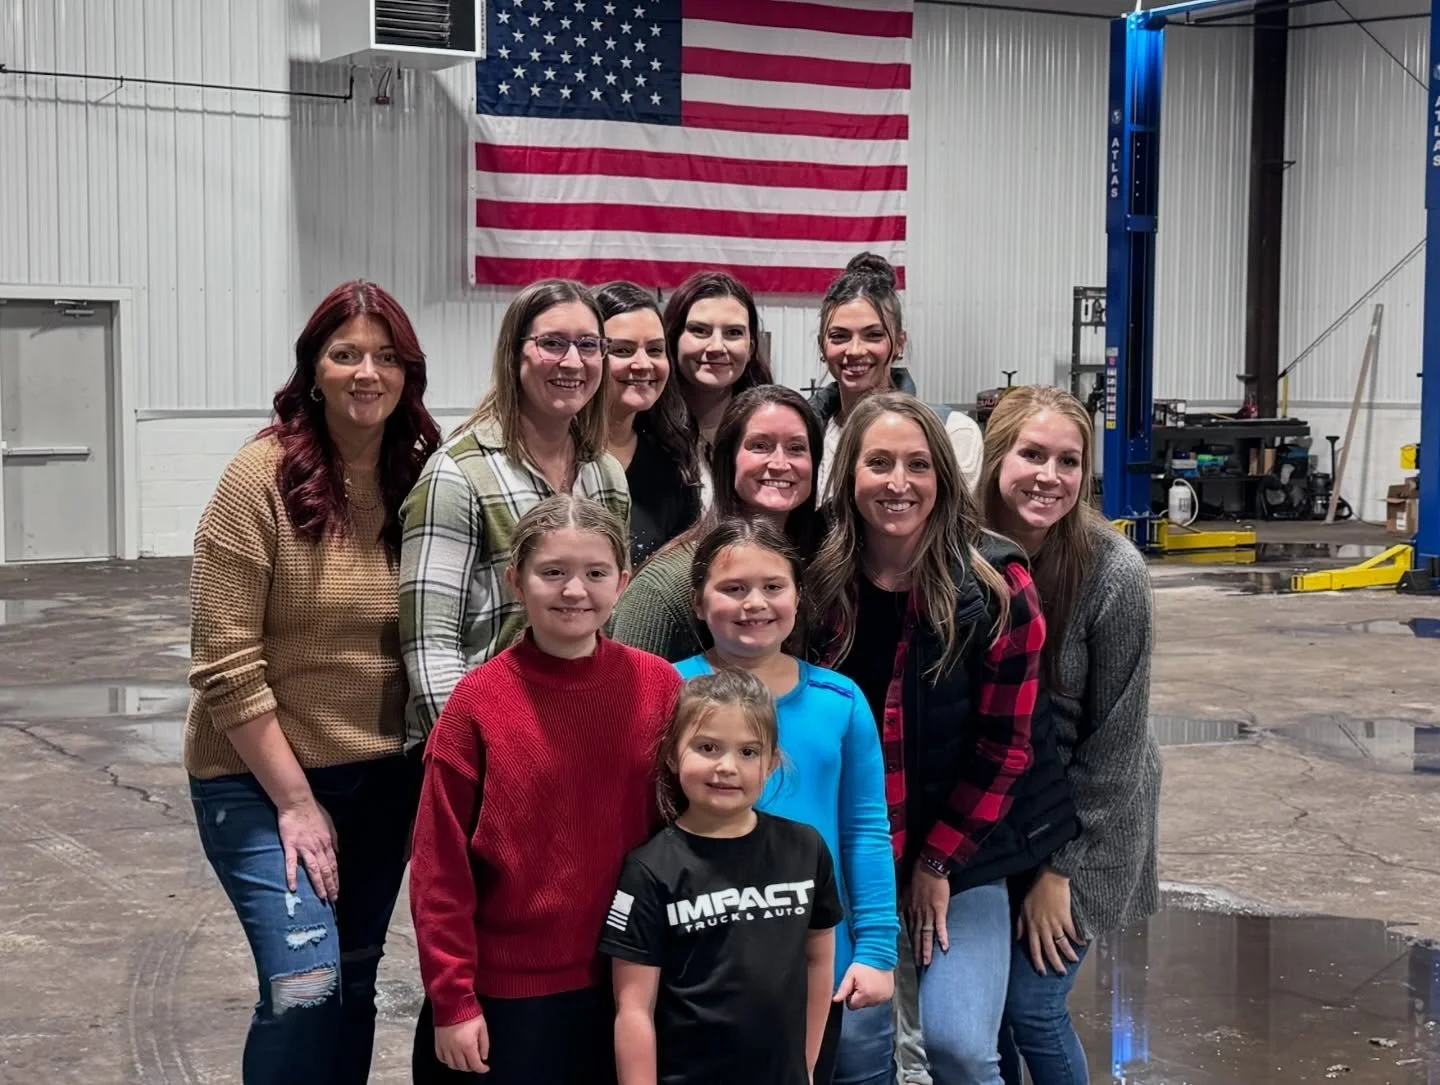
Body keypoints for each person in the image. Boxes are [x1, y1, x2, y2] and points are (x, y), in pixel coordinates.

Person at [184, 280, 441, 1084]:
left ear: (408, 374)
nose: (368, 372)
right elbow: (223, 660)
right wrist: (296, 803)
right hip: (257, 778)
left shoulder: (421, 479)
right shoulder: (257, 478)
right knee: (305, 982)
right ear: (314, 370)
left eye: (386, 356)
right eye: (346, 354)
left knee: (357, 977)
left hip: (381, 777)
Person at [807, 392, 1056, 1085]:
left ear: (944, 478)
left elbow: (1007, 749)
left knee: (957, 1047)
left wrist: (938, 863)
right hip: (850, 850)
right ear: (849, 474)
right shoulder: (816, 582)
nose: (898, 482)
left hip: (962, 852)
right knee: (850, 1041)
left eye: (918, 465)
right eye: (878, 462)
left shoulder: (997, 587)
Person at [408, 495, 682, 1084]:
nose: (574, 591)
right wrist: (453, 999)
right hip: (510, 997)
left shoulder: (660, 689)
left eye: (595, 573)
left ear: (624, 581)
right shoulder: (476, 704)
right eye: (552, 572)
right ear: (516, 580)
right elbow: (439, 870)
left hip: (627, 983)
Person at [977, 386, 1160, 1085]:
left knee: (1033, 1005)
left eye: (1069, 460)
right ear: (998, 456)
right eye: (1031, 454)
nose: (1048, 476)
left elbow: (1118, 744)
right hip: (1001, 814)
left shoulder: (1114, 573)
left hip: (1092, 820)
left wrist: (1062, 870)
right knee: (986, 1016)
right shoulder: (963, 551)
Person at [676, 517, 898, 1085]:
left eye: (773, 587)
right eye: (733, 589)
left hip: (817, 955)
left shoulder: (838, 700)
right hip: (703, 962)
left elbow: (865, 831)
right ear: (700, 603)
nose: (755, 603)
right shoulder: (667, 692)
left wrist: (875, 949)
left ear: (799, 598)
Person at [399, 278, 630, 750]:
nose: (572, 361)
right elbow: (431, 651)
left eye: (589, 345)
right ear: (514, 353)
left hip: (577, 740)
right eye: (552, 343)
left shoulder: (606, 476)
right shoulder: (457, 474)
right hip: (486, 745)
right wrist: (483, 759)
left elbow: (605, 617)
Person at [600, 668, 844, 1085]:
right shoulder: (649, 869)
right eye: (708, 747)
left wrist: (806, 1064)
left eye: (748, 752)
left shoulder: (805, 849)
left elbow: (820, 959)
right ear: (674, 755)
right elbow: (634, 1009)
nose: (727, 767)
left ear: (771, 763)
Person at [609, 384, 823, 662]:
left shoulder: (822, 565)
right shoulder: (667, 585)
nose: (780, 463)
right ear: (727, 459)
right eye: (760, 446)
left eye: (796, 448)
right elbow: (625, 698)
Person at [809, 253, 983, 497]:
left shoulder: (952, 433)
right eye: (839, 336)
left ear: (899, 343)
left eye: (873, 335)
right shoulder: (804, 437)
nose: (855, 350)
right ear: (822, 346)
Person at [595, 280, 703, 566]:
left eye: (655, 350)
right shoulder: (560, 456)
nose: (643, 364)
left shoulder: (672, 465)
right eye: (622, 350)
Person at [663, 270, 775, 487]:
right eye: (699, 330)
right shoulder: (643, 434)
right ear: (673, 339)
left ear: (751, 348)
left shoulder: (772, 432)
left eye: (733, 333)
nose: (716, 347)